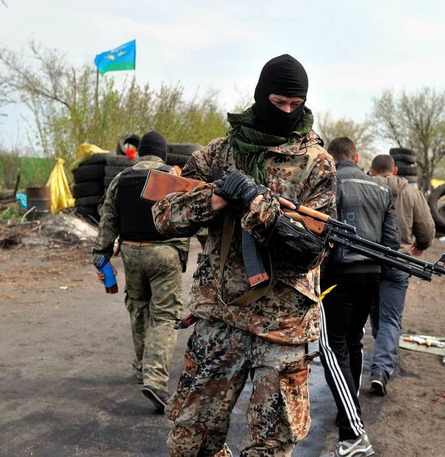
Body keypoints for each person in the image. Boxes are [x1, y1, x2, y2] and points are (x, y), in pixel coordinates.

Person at [152, 54, 337, 457]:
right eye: (278, 102)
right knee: (191, 439)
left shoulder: (317, 164)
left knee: (271, 445)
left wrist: (259, 205)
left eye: (296, 104)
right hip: (220, 316)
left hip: (283, 325)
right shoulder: (219, 154)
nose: (287, 112)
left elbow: (310, 250)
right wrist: (216, 198)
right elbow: (164, 215)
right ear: (259, 95)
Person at [92, 130, 189, 412]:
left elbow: (107, 217)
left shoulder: (121, 179)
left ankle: (141, 367)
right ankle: (156, 381)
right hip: (165, 253)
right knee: (165, 314)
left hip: (132, 252)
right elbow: (195, 216)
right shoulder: (173, 176)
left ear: (141, 151)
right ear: (163, 153)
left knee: (138, 306)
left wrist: (101, 257)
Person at [319, 137, 399, 457]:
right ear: (356, 156)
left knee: (331, 346)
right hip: (372, 277)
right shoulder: (383, 189)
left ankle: (352, 428)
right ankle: (347, 410)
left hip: (337, 277)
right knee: (353, 342)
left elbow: (321, 235)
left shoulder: (329, 184)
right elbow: (391, 244)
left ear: (332, 158)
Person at [368, 154, 435, 396]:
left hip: (368, 261)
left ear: (372, 171)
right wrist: (421, 245)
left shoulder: (366, 187)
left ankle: (382, 353)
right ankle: (382, 369)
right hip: (399, 261)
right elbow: (426, 228)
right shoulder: (411, 192)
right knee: (390, 318)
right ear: (395, 171)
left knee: (375, 312)